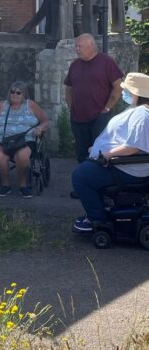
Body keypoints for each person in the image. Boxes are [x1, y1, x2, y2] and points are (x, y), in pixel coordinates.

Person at [72, 72, 149, 232]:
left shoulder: (142, 115)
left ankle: (97, 219)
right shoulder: (138, 110)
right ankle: (101, 209)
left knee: (80, 176)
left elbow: (133, 146)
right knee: (86, 172)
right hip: (122, 164)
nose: (123, 93)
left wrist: (108, 154)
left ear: (137, 93)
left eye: (127, 90)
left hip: (125, 168)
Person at [64, 33, 123, 197]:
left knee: (99, 153)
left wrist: (107, 108)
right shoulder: (75, 65)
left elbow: (118, 87)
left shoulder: (106, 62)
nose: (76, 49)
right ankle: (83, 186)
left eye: (79, 46)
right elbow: (68, 87)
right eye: (76, 46)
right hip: (78, 117)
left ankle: (103, 189)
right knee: (82, 153)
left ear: (91, 46)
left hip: (99, 117)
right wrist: (70, 106)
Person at [0, 81, 49, 198]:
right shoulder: (1, 106)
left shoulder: (31, 105)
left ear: (24, 95)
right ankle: (5, 185)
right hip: (4, 140)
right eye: (12, 92)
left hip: (25, 140)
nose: (14, 94)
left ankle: (23, 186)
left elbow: (45, 121)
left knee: (22, 155)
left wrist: (39, 128)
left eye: (18, 92)